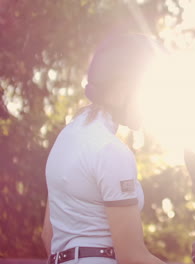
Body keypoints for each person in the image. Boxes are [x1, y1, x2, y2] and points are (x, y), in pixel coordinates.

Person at [41, 33, 166, 264]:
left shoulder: (65, 140)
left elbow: (48, 236)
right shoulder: (111, 151)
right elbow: (132, 257)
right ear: (121, 90)